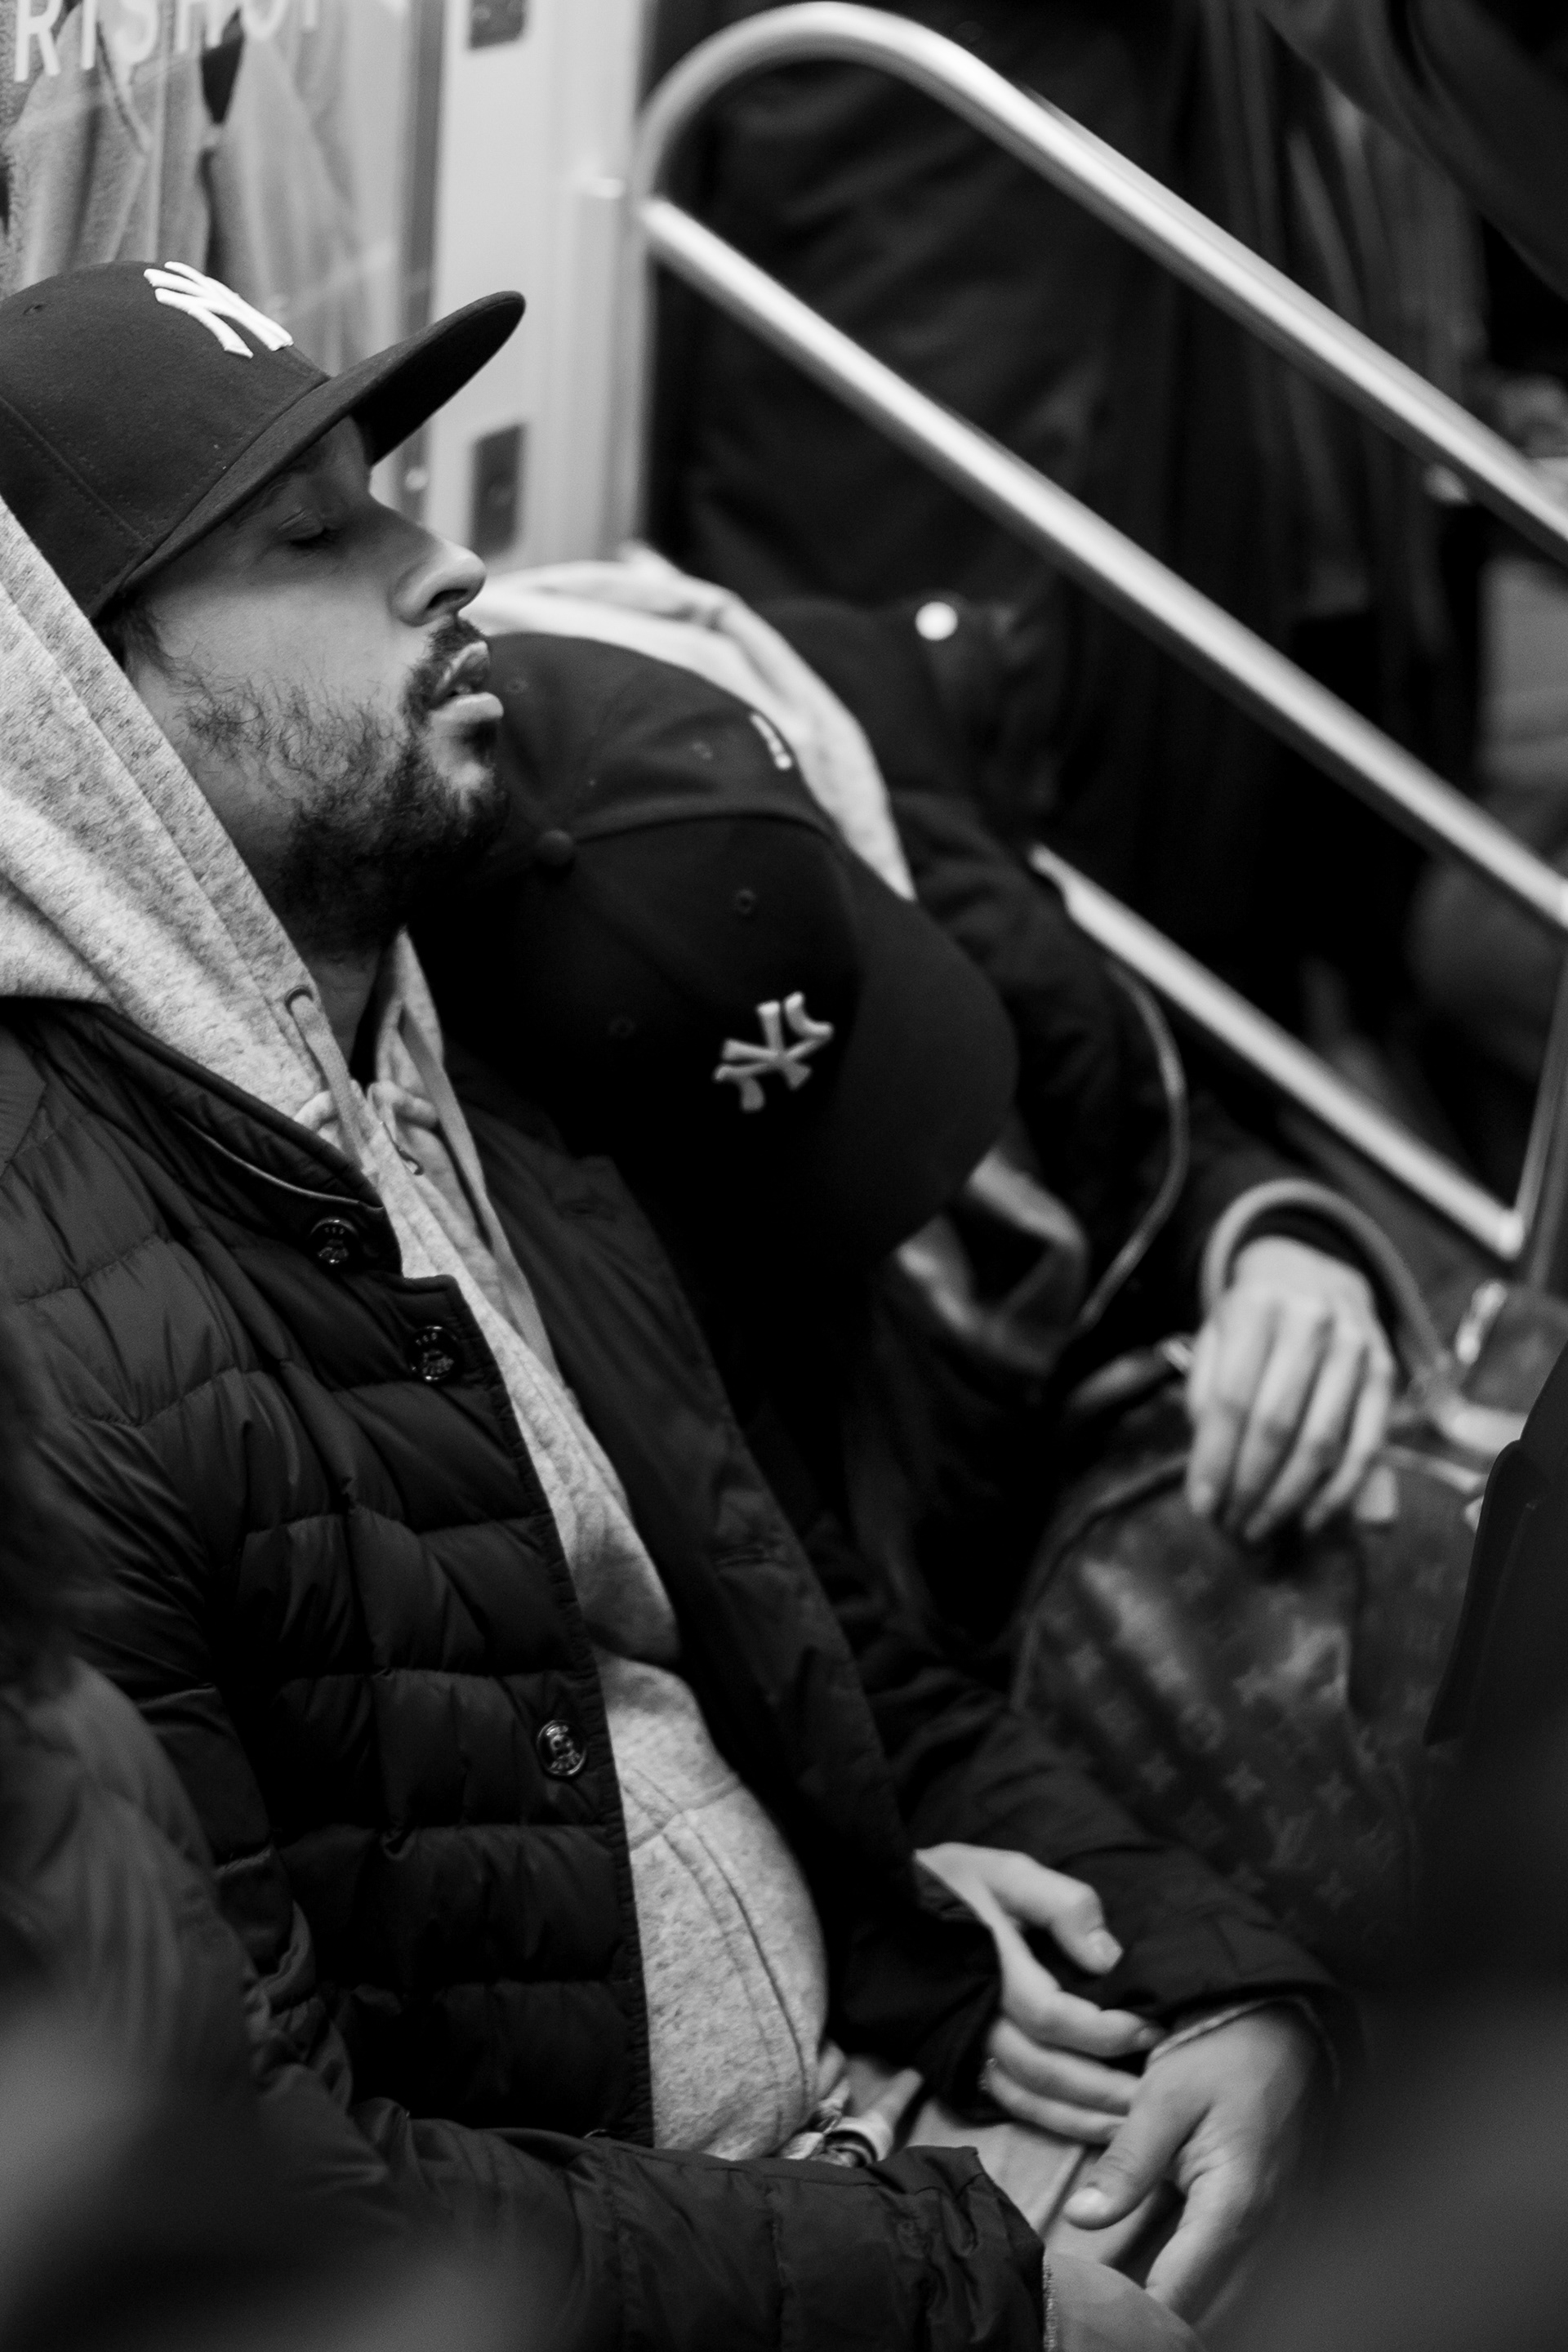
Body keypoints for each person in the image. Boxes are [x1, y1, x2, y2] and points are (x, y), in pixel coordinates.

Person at [0, 257, 1303, 2342]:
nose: (450, 564)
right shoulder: (47, 1343)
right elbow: (246, 2188)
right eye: (317, 539)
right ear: (72, 704)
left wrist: (1201, 1966)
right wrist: (975, 2292)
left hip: (867, 2158)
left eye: (392, 493)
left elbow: (826, 1643)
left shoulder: (448, 1068)